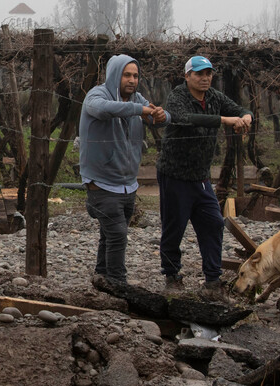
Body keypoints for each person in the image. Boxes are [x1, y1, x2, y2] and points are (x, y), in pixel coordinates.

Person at [156, 56, 252, 293]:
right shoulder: (178, 96)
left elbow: (239, 109)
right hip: (175, 175)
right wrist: (223, 120)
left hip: (201, 177)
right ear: (187, 76)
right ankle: (172, 276)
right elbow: (185, 119)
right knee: (174, 227)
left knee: (213, 223)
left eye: (208, 73)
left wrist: (246, 116)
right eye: (199, 73)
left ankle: (212, 280)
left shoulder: (214, 97)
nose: (205, 78)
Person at [79, 55, 166, 285]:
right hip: (102, 183)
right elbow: (103, 110)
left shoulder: (137, 98)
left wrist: (160, 115)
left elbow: (160, 118)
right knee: (118, 235)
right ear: (115, 75)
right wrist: (141, 109)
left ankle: (101, 279)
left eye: (136, 76)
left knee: (109, 235)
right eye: (127, 75)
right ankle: (119, 284)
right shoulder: (96, 95)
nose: (132, 80)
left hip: (128, 183)